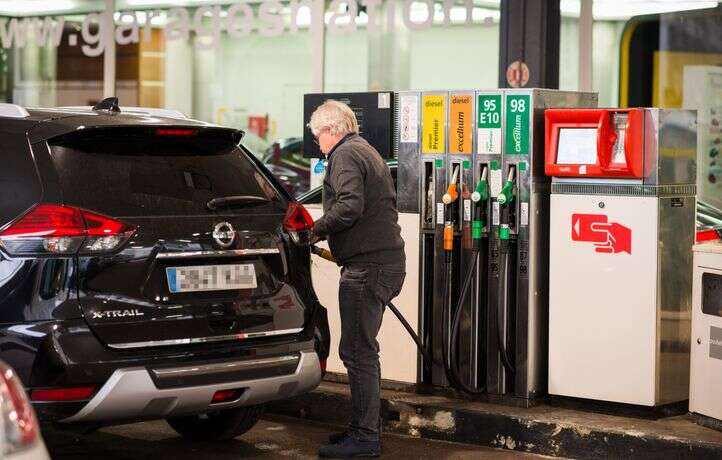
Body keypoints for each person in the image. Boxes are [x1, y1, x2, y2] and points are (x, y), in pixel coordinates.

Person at [309, 100, 406, 458]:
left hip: (369, 269)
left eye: (318, 136)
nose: (318, 144)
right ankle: (360, 429)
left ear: (331, 130)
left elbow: (349, 205)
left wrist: (314, 231)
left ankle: (365, 439)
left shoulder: (345, 155)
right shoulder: (365, 150)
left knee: (357, 351)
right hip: (382, 264)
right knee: (360, 349)